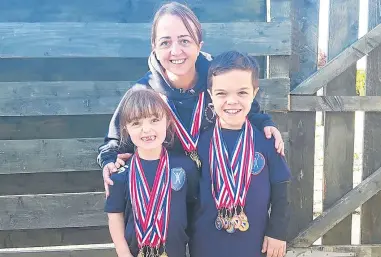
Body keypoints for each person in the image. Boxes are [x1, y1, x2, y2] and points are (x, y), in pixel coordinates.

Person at [97, 1, 285, 196]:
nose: (176, 51)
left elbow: (249, 111)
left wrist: (266, 124)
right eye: (165, 42)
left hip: (219, 197)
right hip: (169, 205)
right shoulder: (142, 93)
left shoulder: (219, 79)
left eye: (184, 40)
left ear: (199, 44)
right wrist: (110, 162)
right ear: (154, 47)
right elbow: (115, 143)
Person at [190, 51, 291, 257]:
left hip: (254, 245)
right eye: (222, 93)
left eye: (242, 93)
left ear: (254, 93)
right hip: (205, 245)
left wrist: (278, 233)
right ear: (211, 95)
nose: (232, 101)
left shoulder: (267, 140)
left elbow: (282, 193)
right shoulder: (199, 142)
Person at [104, 88, 198, 257]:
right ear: (125, 128)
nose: (146, 130)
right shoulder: (120, 175)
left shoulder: (186, 167)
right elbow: (114, 215)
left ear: (168, 121)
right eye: (136, 123)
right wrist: (123, 253)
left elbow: (193, 210)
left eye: (154, 120)